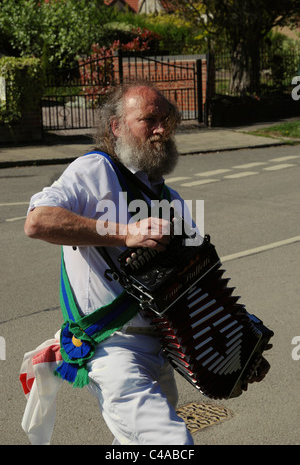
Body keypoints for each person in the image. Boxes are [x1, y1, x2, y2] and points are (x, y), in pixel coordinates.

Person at [24, 82, 270, 445]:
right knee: (172, 445)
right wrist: (124, 233)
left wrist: (242, 343)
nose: (160, 130)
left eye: (165, 121)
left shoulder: (171, 200)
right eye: (148, 120)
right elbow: (37, 221)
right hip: (112, 348)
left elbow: (200, 285)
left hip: (161, 349)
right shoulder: (95, 170)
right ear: (117, 127)